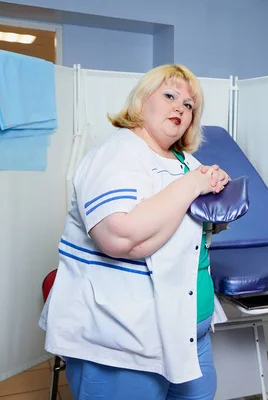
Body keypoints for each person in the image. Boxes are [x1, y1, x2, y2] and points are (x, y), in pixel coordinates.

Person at [39, 64, 231, 400]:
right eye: (170, 95)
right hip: (120, 343)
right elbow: (120, 238)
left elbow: (192, 228)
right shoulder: (116, 153)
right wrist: (192, 187)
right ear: (142, 101)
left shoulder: (185, 162)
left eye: (189, 105)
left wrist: (216, 191)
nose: (180, 108)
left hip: (190, 336)